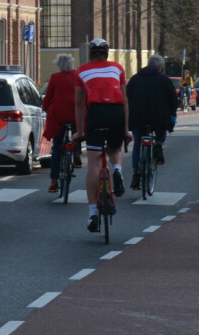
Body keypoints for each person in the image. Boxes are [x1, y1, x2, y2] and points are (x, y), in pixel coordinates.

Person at [75, 38, 128, 232]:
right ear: (107, 53)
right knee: (115, 148)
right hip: (116, 113)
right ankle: (117, 170)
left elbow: (79, 103)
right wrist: (126, 129)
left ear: (91, 53)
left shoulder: (81, 70)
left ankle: (92, 214)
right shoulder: (118, 68)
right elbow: (125, 100)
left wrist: (80, 131)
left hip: (96, 113)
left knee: (94, 162)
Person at [126, 54, 176, 190]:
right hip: (159, 117)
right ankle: (159, 144)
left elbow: (126, 97)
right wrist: (172, 117)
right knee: (161, 130)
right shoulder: (164, 79)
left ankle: (136, 174)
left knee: (137, 144)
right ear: (160, 66)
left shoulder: (135, 79)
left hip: (137, 117)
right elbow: (173, 99)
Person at [42, 54, 82, 194]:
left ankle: (54, 180)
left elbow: (48, 97)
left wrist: (45, 108)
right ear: (71, 63)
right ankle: (76, 152)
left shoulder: (54, 77)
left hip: (58, 113)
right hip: (74, 112)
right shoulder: (78, 76)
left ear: (58, 64)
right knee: (78, 131)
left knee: (57, 148)